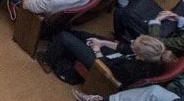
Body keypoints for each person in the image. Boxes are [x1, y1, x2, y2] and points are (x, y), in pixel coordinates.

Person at [41, 32, 176, 87]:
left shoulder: (131, 69)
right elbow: (124, 48)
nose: (132, 41)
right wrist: (102, 42)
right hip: (116, 61)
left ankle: (47, 60)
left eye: (135, 44)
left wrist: (97, 49)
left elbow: (106, 68)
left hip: (102, 69)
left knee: (64, 37)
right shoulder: (152, 56)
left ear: (140, 54)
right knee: (84, 35)